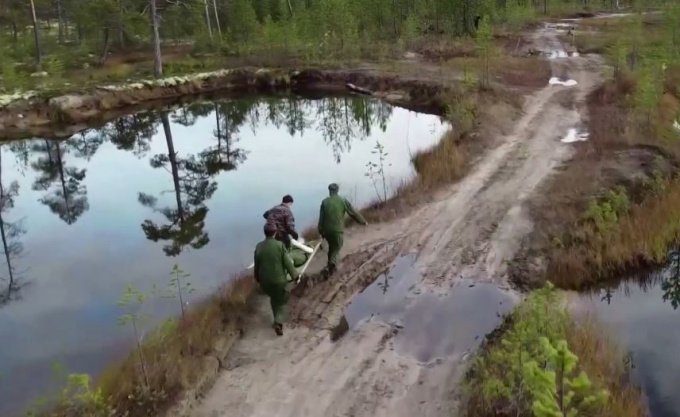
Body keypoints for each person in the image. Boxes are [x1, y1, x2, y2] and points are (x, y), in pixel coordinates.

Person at [253, 224, 299, 336]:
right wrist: (295, 275)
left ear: (265, 233)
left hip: (265, 282)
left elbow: (257, 266)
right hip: (279, 280)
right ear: (275, 233)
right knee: (282, 300)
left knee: (274, 298)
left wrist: (257, 279)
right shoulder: (279, 245)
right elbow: (288, 262)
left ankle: (276, 319)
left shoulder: (259, 246)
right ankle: (278, 322)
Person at [318, 183, 367, 277]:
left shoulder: (324, 202)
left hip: (326, 231)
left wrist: (321, 232)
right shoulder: (342, 200)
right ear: (337, 190)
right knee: (337, 247)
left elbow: (321, 219)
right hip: (337, 230)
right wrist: (363, 221)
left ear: (329, 191)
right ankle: (330, 267)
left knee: (332, 247)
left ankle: (330, 267)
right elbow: (353, 213)